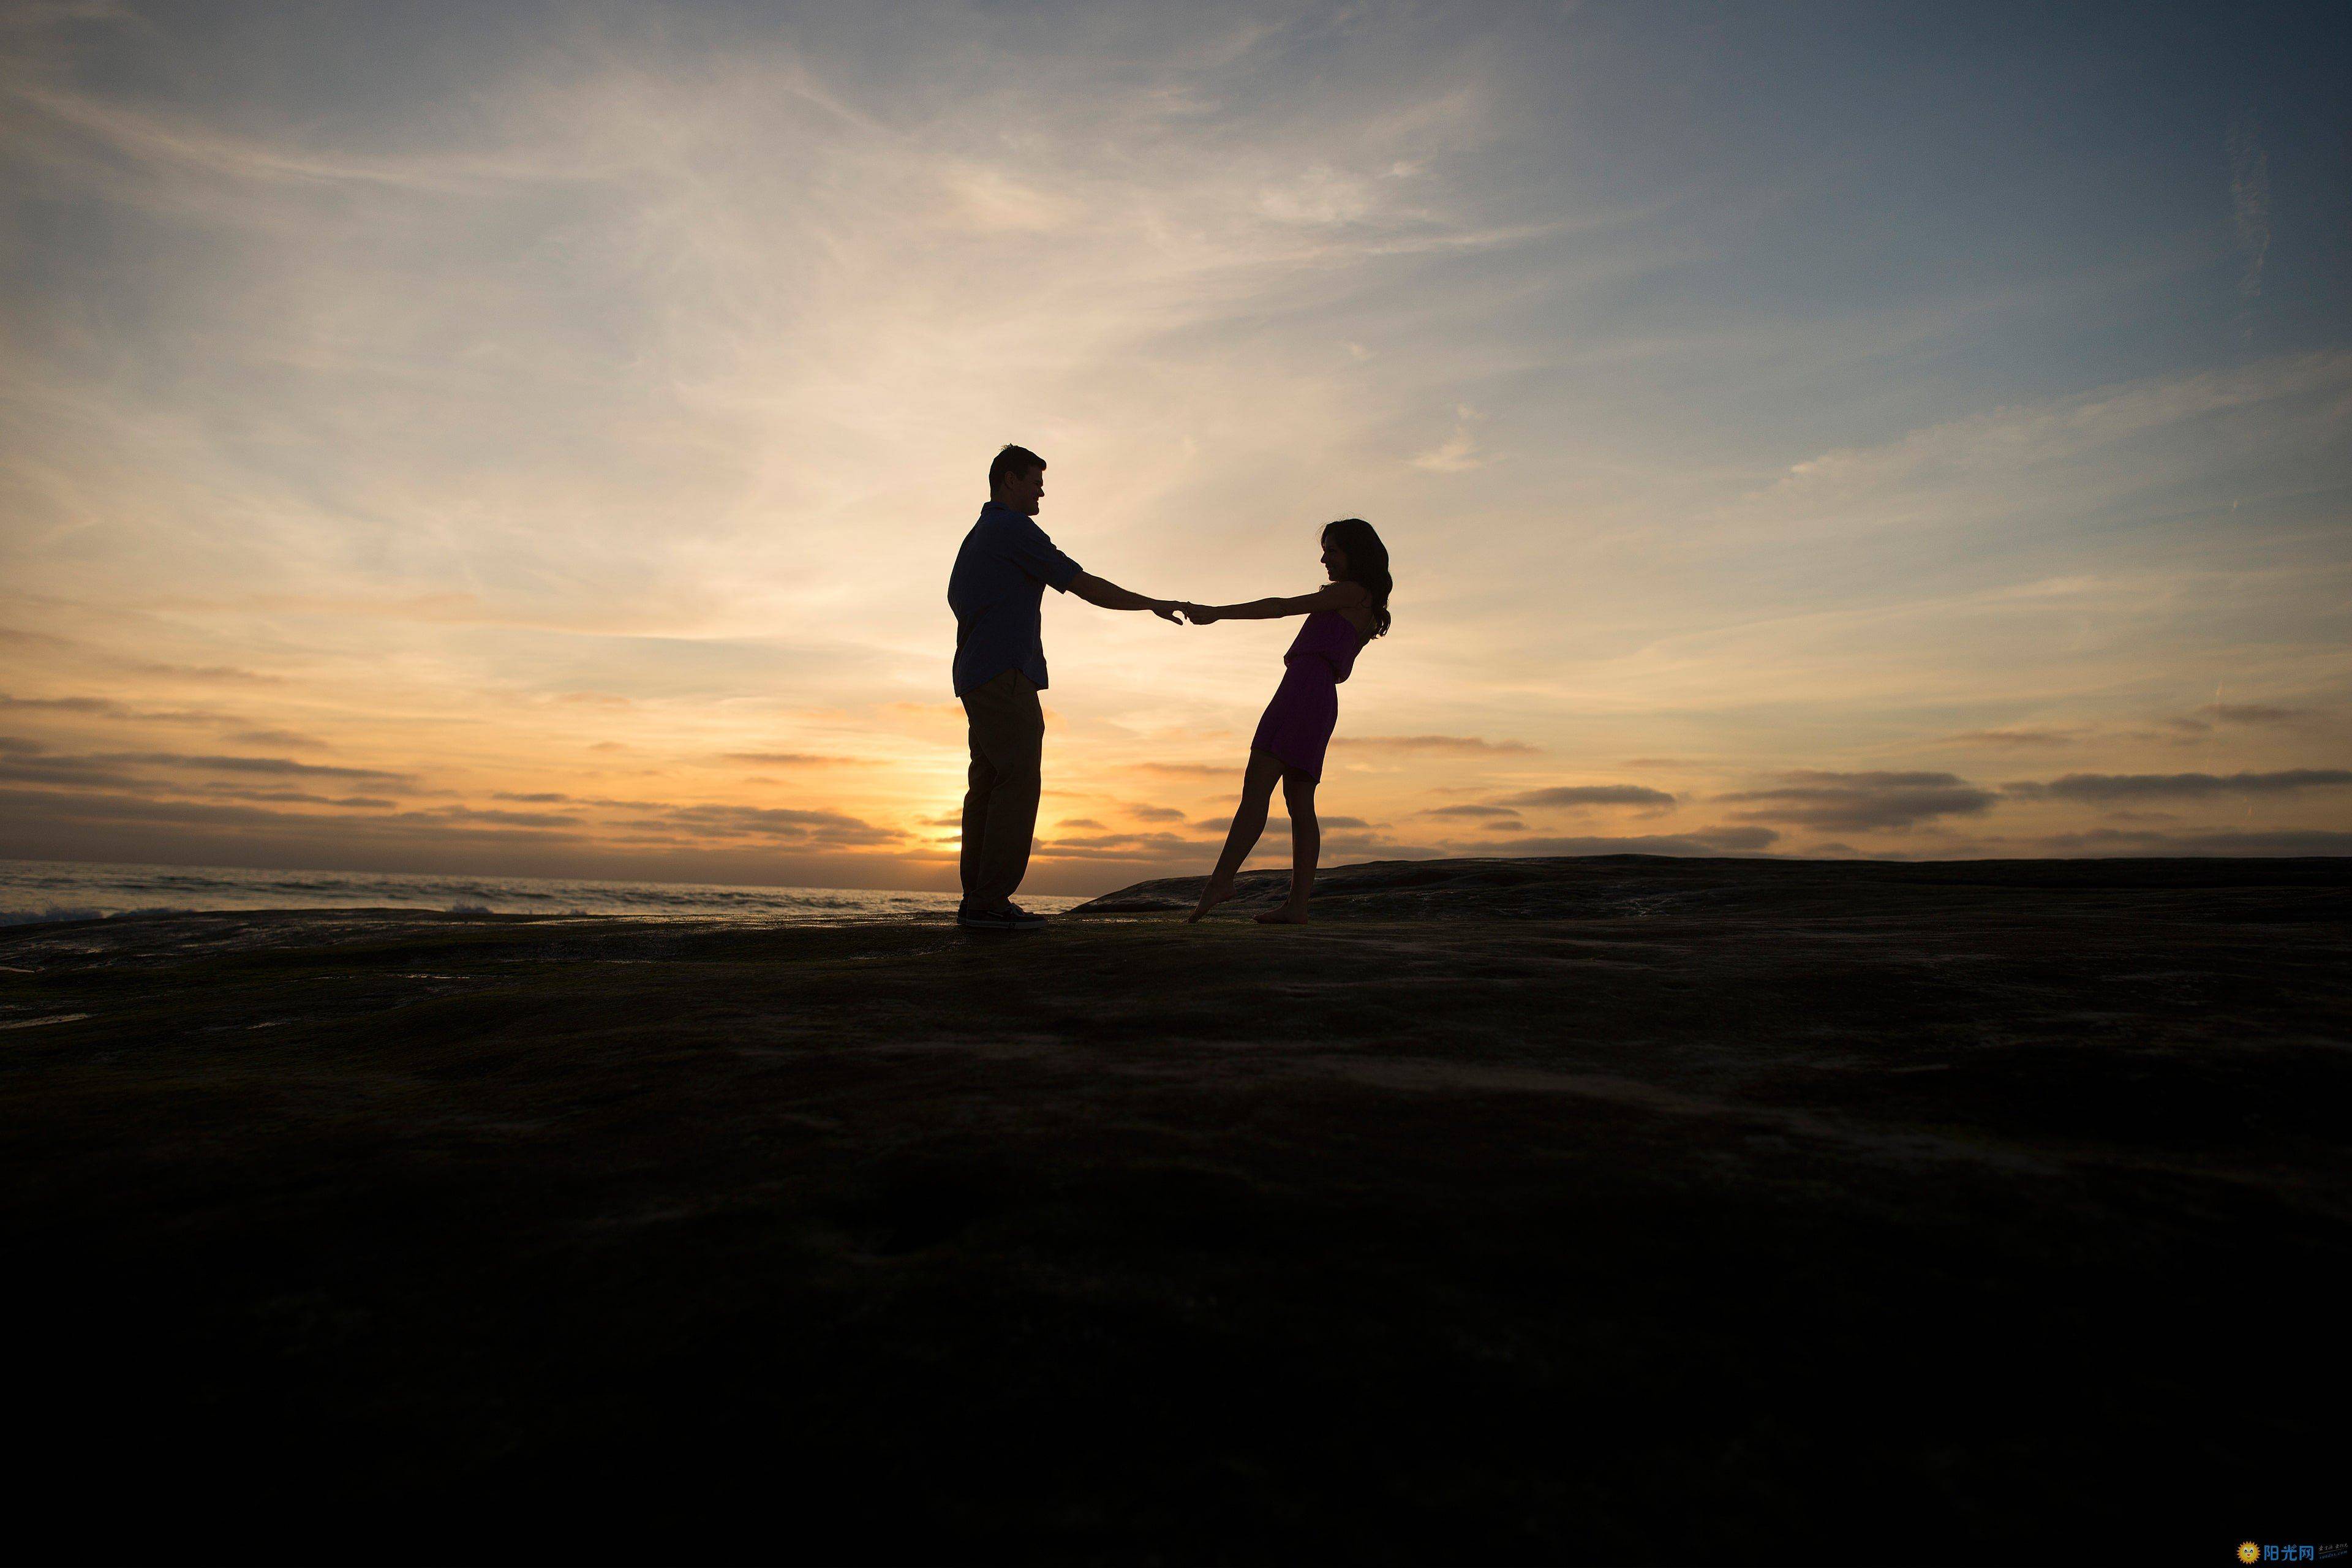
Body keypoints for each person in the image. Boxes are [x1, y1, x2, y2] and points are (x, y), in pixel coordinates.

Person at [948, 445, 1183, 933]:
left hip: (976, 674)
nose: (1041, 491)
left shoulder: (977, 536)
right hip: (1006, 674)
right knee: (1017, 781)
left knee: (988, 785)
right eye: (1035, 481)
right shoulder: (1012, 529)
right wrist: (1152, 603)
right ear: (1009, 480)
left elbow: (957, 598)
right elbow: (1082, 583)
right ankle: (990, 902)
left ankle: (978, 901)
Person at [1179, 518, 1392, 924]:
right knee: (1299, 802)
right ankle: (1297, 906)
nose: (1324, 558)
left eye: (1333, 550)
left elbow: (1280, 607)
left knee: (1257, 791)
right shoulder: (1368, 606)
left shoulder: (1350, 593)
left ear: (1355, 553)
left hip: (1302, 691)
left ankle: (1220, 883)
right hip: (1321, 695)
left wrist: (1217, 613)